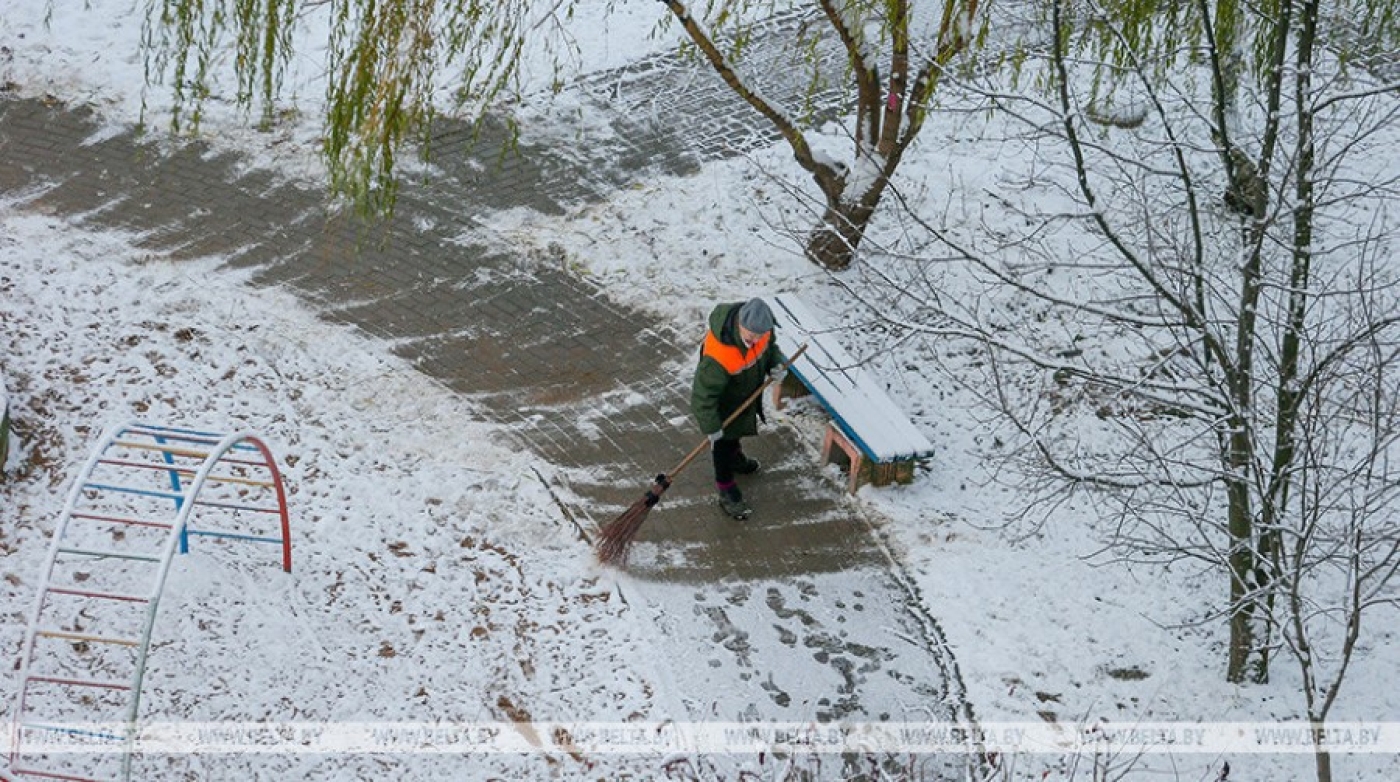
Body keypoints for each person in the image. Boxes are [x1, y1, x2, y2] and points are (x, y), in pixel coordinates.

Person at [690, 298, 782, 519]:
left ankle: (736, 457)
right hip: (721, 405)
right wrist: (712, 426)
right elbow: (703, 396)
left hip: (743, 393)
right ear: (739, 322)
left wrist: (776, 364)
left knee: (736, 432)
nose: (756, 339)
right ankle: (726, 488)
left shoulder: (763, 334)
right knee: (722, 443)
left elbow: (770, 350)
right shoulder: (719, 355)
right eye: (751, 334)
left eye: (760, 335)